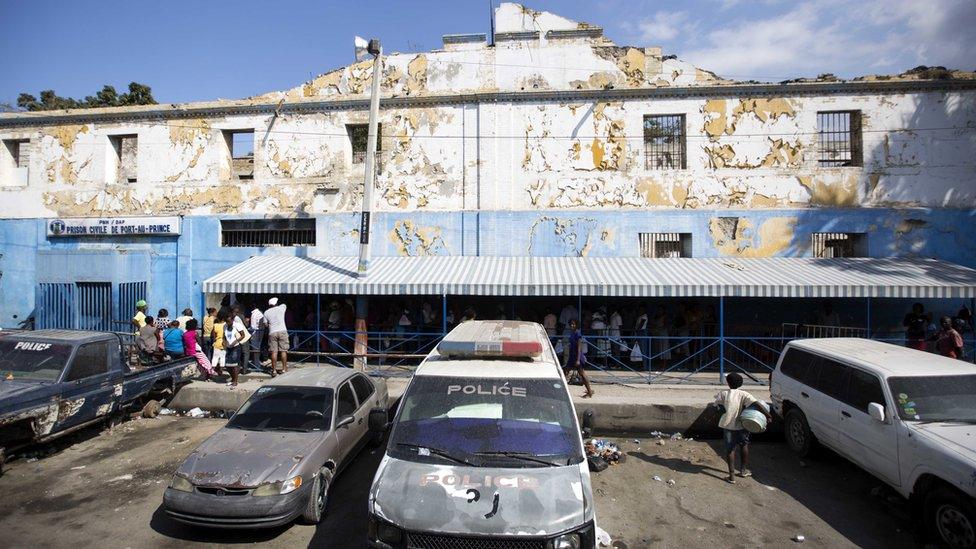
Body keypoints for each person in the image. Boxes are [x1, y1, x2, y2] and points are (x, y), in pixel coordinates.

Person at [714, 372, 771, 484]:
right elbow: (757, 404)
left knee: (730, 449)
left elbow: (716, 405)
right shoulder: (745, 394)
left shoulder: (723, 393)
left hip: (728, 426)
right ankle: (743, 471)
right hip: (742, 425)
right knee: (744, 445)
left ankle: (731, 477)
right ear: (740, 383)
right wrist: (768, 415)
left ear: (728, 383)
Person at [564, 319, 594, 398]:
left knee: (582, 374)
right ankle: (562, 390)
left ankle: (590, 391)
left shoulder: (578, 334)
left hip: (577, 357)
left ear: (576, 325)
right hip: (572, 356)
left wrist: (577, 360)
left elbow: (579, 348)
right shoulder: (572, 333)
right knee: (565, 372)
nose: (572, 325)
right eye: (571, 324)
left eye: (573, 324)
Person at [264, 297, 289, 375]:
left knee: (274, 352)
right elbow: (284, 304)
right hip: (282, 331)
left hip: (272, 332)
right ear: (276, 303)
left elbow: (265, 324)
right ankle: (284, 369)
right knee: (283, 351)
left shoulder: (266, 312)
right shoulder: (281, 308)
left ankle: (274, 370)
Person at [224, 309, 247, 387]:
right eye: (227, 322)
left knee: (234, 365)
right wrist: (225, 343)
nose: (228, 323)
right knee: (227, 365)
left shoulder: (237, 325)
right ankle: (233, 378)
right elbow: (224, 336)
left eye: (229, 322)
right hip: (228, 347)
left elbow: (243, 335)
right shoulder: (225, 326)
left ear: (232, 320)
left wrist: (236, 341)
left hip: (236, 347)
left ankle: (235, 381)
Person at [247, 302, 267, 372]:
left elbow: (253, 326)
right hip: (260, 333)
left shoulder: (254, 314)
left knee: (255, 350)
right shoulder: (260, 313)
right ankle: (257, 364)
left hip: (255, 333)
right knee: (257, 349)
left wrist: (248, 329)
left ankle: (256, 366)